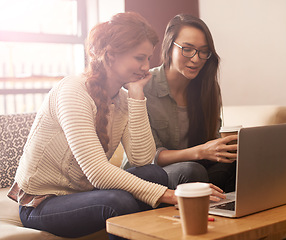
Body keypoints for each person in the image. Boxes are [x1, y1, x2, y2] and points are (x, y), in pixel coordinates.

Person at [7, 12, 225, 240]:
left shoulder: (122, 99)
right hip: (41, 202)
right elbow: (98, 172)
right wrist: (170, 195)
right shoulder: (73, 90)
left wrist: (137, 95)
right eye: (139, 58)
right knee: (117, 202)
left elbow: (142, 159)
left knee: (154, 173)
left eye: (148, 58)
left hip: (84, 193)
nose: (146, 66)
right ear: (110, 55)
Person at [122, 14, 238, 192]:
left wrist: (226, 149)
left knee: (239, 164)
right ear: (169, 48)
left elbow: (211, 141)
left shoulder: (208, 88)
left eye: (203, 51)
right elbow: (150, 157)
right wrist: (199, 152)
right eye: (187, 49)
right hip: (149, 173)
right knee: (191, 171)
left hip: (194, 169)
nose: (196, 58)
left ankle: (227, 212)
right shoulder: (143, 87)